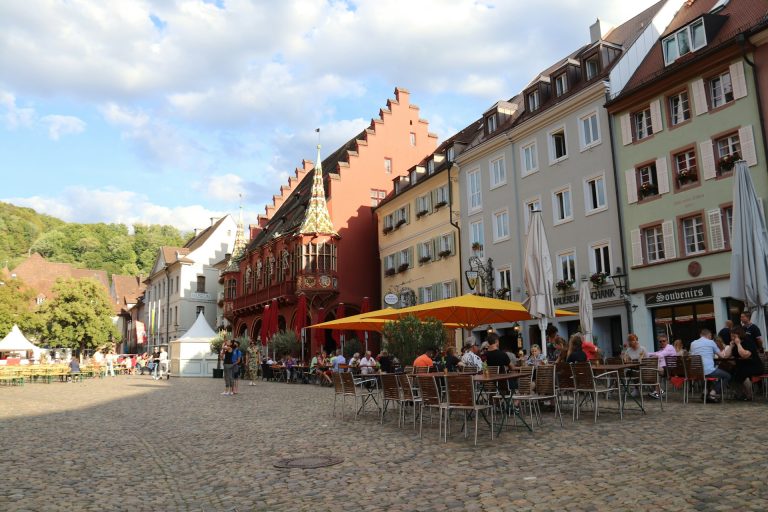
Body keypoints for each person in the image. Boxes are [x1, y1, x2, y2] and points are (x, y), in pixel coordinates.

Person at [689, 328, 730, 402]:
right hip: (708, 371)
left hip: (696, 372)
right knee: (727, 376)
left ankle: (705, 392)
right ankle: (713, 393)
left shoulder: (693, 343)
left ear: (701, 335)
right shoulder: (711, 342)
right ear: (709, 335)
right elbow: (721, 356)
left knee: (707, 375)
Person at [723, 327, 763, 400]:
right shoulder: (733, 344)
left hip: (753, 366)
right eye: (731, 336)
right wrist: (731, 346)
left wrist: (738, 344)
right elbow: (726, 356)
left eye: (734, 336)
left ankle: (749, 395)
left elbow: (744, 355)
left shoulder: (748, 342)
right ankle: (741, 393)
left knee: (742, 373)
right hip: (741, 366)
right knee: (731, 373)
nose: (732, 338)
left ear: (739, 335)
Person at [647, 335, 675, 399]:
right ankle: (660, 392)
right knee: (651, 371)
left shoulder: (670, 347)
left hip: (670, 369)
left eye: (664, 341)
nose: (662, 342)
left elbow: (660, 355)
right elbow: (654, 353)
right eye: (660, 341)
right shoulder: (662, 349)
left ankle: (657, 392)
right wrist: (645, 353)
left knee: (654, 370)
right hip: (664, 368)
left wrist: (653, 357)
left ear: (667, 341)